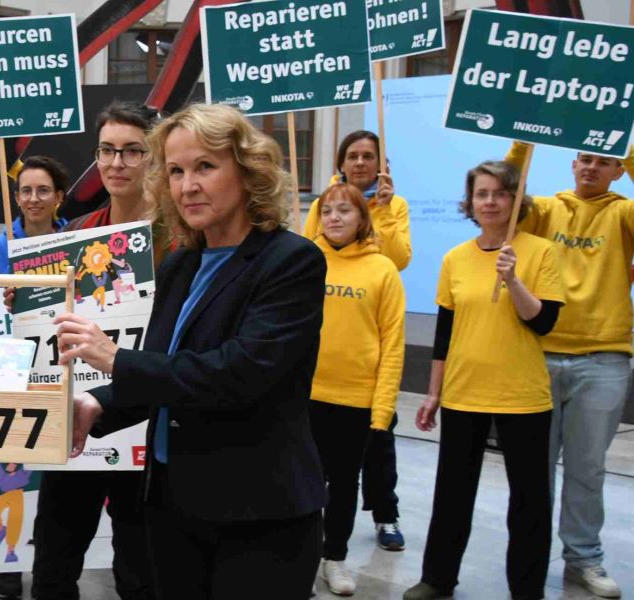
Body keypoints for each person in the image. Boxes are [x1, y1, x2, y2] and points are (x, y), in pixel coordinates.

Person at [58, 103, 327, 600]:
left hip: (258, 514)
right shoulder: (182, 264)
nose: (188, 185)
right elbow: (166, 370)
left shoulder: (291, 261)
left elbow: (239, 374)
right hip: (172, 507)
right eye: (177, 171)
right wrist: (100, 404)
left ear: (247, 171)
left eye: (205, 166)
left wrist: (115, 358)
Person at [403, 161, 563, 600]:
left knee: (529, 503)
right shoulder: (456, 258)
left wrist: (513, 280)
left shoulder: (540, 252)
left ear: (515, 200)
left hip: (522, 396)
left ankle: (526, 589)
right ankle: (438, 578)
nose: (489, 201)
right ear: (470, 202)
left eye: (499, 193)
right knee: (452, 494)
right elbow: (443, 334)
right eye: (481, 194)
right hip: (463, 392)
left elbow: (544, 321)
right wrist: (433, 393)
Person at [28, 102, 160, 600]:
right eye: (107, 150)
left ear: (153, 157)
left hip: (141, 421)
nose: (117, 163)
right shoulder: (77, 233)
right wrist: (25, 294)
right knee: (53, 567)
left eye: (131, 151)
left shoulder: (179, 237)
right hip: (74, 419)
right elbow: (47, 318)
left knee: (140, 570)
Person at [505, 141, 634, 599]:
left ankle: (584, 559)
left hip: (604, 358)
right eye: (586, 159)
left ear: (619, 170)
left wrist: (628, 144)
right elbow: (508, 194)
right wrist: (522, 140)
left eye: (605, 161)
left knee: (587, 469)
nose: (593, 167)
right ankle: (531, 557)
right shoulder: (546, 210)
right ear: (573, 163)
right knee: (533, 470)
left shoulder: (623, 214)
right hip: (538, 353)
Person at [304, 129, 411, 551]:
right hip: (313, 391)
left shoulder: (392, 208)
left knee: (374, 457)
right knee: (310, 478)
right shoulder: (321, 209)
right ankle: (306, 552)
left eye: (369, 155)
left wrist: (382, 212)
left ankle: (380, 519)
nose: (361, 162)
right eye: (353, 155)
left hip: (360, 390)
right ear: (341, 161)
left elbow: (397, 258)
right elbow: (309, 248)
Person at [0, 155, 68, 600]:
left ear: (59, 197)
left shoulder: (77, 242)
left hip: (61, 374)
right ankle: (7, 564)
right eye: (26, 191)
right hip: (9, 374)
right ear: (16, 197)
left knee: (57, 480)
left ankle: (48, 561)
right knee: (12, 476)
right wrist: (1, 298)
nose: (33, 199)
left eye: (43, 190)